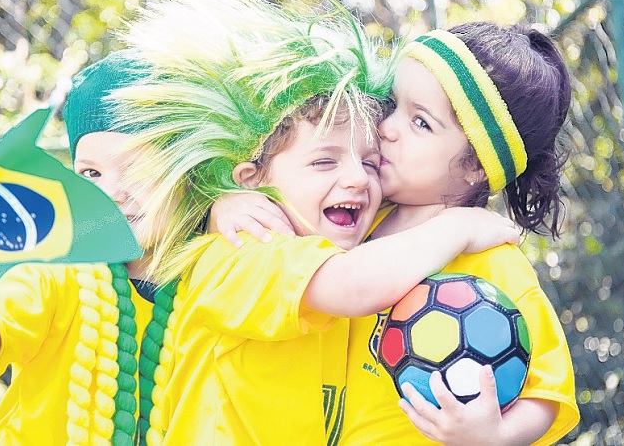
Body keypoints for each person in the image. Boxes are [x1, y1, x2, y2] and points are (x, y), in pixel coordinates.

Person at [112, 0, 519, 445]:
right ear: (251, 179)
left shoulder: (341, 242)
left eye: (369, 163)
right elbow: (352, 284)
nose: (358, 180)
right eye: (324, 161)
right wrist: (459, 224)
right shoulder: (243, 251)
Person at [214, 23, 580, 445]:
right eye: (393, 106)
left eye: (420, 122)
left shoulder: (492, 256)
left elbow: (547, 391)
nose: (387, 127)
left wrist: (493, 436)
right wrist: (229, 203)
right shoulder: (355, 218)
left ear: (475, 166)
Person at [0, 50, 167, 444]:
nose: (112, 192)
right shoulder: (57, 269)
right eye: (91, 173)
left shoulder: (214, 270)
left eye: (138, 168)